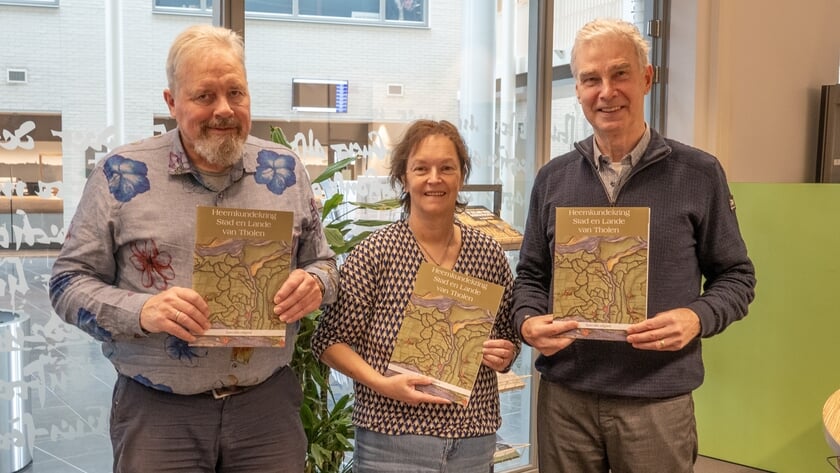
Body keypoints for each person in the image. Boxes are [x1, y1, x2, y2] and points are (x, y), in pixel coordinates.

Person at [49, 24, 337, 473]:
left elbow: (323, 263)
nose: (224, 109)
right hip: (158, 414)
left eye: (236, 93)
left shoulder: (283, 171)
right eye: (205, 95)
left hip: (266, 410)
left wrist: (315, 283)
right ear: (171, 102)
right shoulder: (120, 174)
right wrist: (142, 311)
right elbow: (66, 284)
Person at [512, 18, 756, 473]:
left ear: (646, 78)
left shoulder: (699, 174)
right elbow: (531, 275)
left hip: (657, 400)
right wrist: (527, 322)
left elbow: (737, 277)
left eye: (620, 73)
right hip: (566, 399)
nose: (606, 92)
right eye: (591, 79)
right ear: (578, 90)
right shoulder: (553, 179)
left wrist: (696, 318)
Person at [311, 119, 520, 473]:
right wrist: (383, 384)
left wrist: (506, 353)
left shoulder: (488, 254)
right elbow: (329, 341)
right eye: (421, 168)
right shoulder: (375, 253)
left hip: (472, 441)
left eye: (447, 168)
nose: (434, 179)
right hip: (391, 441)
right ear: (403, 178)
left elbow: (509, 334)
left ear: (461, 177)